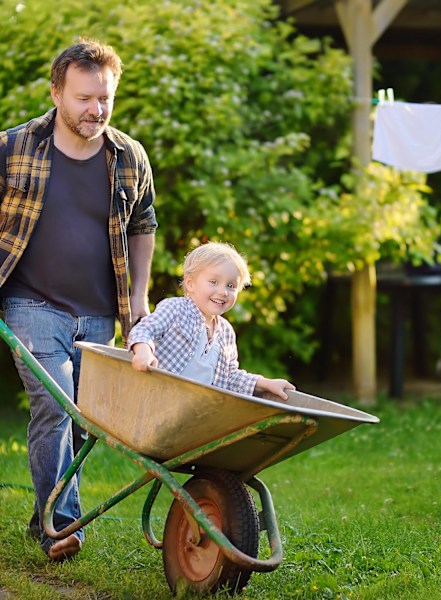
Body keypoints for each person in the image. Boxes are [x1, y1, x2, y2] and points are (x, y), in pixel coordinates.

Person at [0, 39, 157, 561]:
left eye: (104, 99)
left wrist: (138, 298)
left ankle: (45, 512)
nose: (95, 110)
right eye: (84, 98)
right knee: (55, 405)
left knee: (82, 419)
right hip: (30, 303)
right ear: (56, 92)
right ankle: (62, 528)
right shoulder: (14, 147)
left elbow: (143, 225)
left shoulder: (128, 156)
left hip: (98, 313)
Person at [128, 241, 295, 401]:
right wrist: (143, 351)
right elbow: (144, 330)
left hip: (193, 412)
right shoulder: (175, 309)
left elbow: (230, 378)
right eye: (213, 282)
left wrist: (266, 384)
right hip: (156, 398)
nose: (223, 292)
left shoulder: (226, 332)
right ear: (190, 283)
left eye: (231, 286)